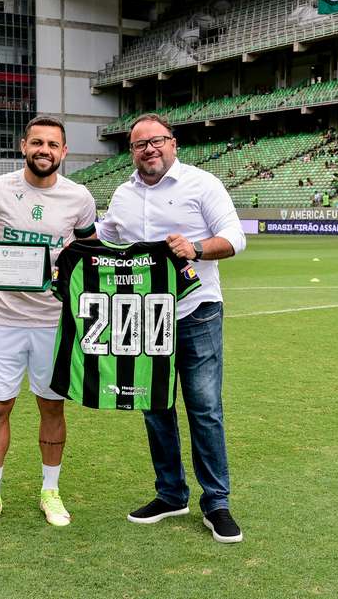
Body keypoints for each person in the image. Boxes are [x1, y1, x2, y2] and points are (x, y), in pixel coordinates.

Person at [98, 113, 246, 544]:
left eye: (157, 141)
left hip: (197, 311)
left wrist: (196, 247)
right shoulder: (123, 195)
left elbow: (235, 237)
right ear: (132, 151)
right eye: (140, 144)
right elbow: (102, 239)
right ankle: (171, 494)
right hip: (145, 318)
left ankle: (216, 501)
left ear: (173, 143)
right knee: (155, 408)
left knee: (204, 409)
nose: (150, 149)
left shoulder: (202, 184)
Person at [0, 115, 96, 531]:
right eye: (37, 143)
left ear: (64, 152)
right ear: (23, 146)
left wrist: (71, 277)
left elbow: (90, 254)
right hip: (3, 319)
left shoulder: (79, 198)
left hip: (54, 323)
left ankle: (50, 490)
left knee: (51, 405)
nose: (44, 151)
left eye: (53, 145)